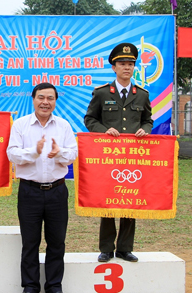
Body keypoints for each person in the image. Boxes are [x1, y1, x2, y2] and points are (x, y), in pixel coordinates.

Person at [7, 83, 77, 293]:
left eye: (50, 98)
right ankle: (30, 287)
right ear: (33, 99)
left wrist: (60, 153)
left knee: (57, 242)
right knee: (30, 242)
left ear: (56, 101)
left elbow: (73, 153)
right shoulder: (20, 125)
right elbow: (12, 153)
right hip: (29, 191)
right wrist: (34, 152)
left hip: (57, 190)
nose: (45, 102)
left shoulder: (64, 126)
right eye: (41, 97)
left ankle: (54, 287)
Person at [84, 43, 153, 263]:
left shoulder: (141, 95)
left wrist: (146, 129)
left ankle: (125, 247)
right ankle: (106, 247)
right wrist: (104, 131)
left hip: (133, 157)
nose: (127, 67)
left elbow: (148, 119)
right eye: (122, 63)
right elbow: (90, 119)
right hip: (107, 156)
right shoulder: (102, 93)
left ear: (134, 67)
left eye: (130, 64)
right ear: (114, 67)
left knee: (129, 200)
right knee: (108, 201)